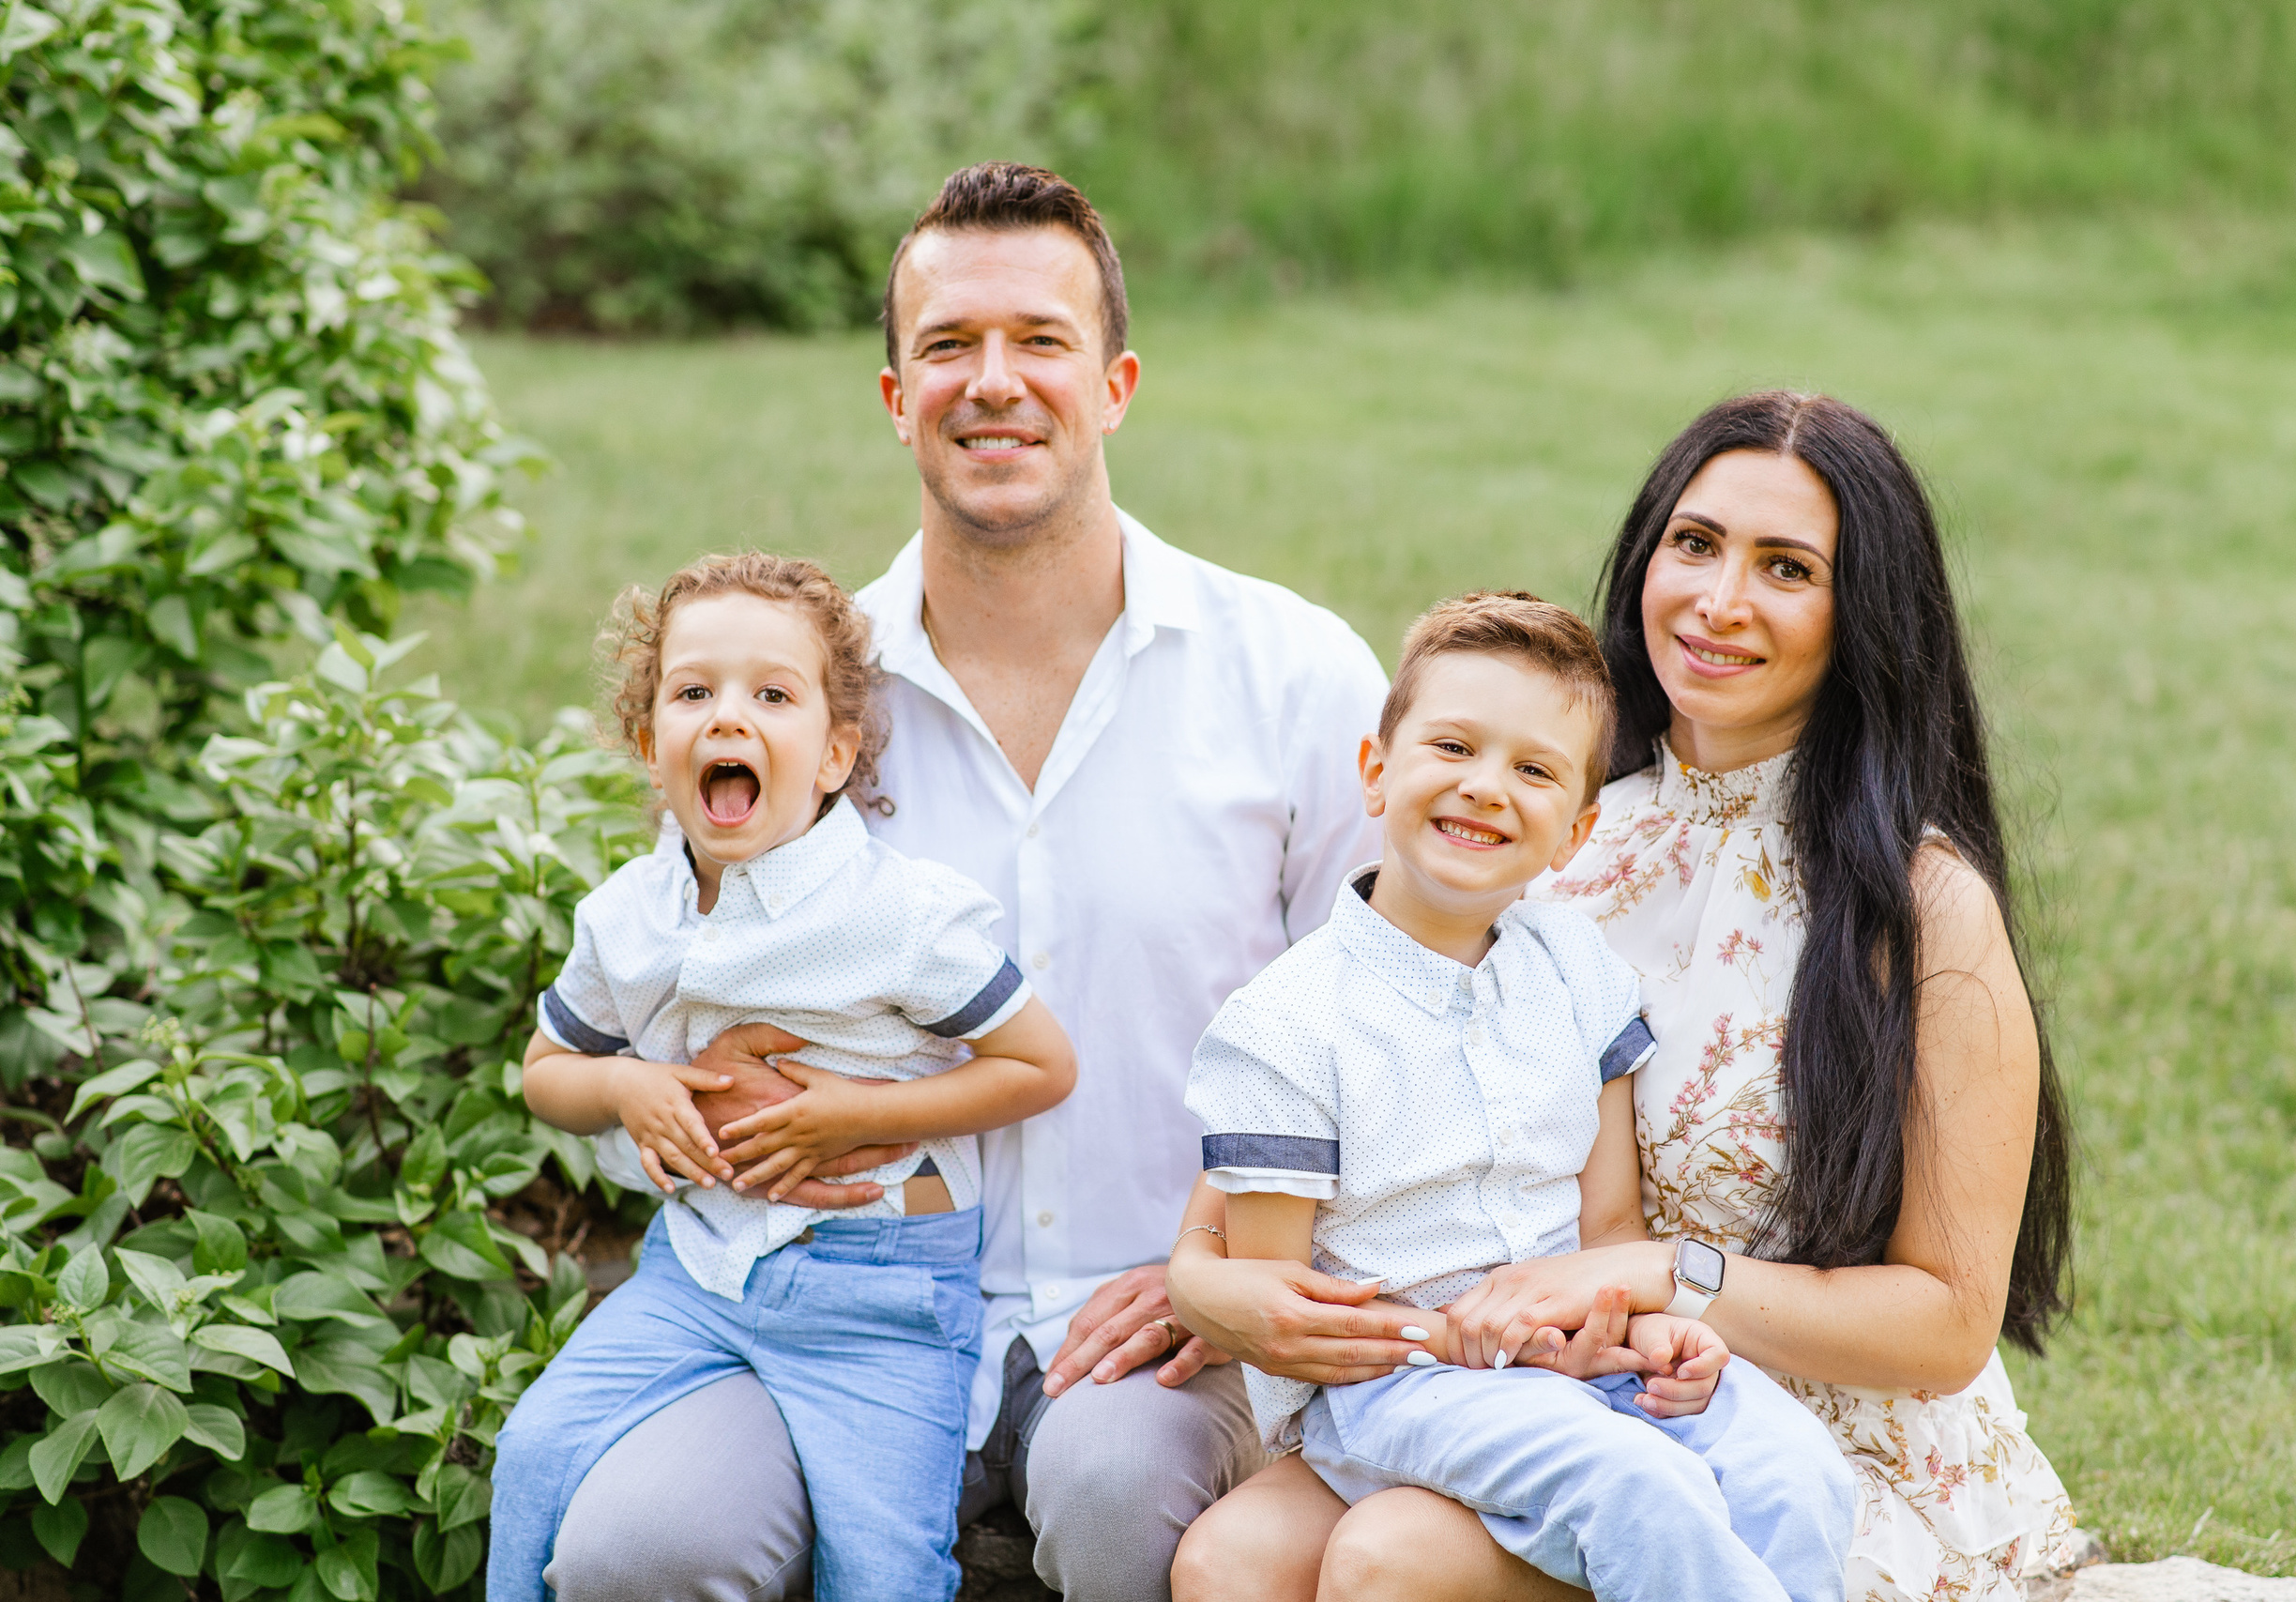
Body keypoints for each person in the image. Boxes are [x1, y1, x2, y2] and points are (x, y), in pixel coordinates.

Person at [535, 164, 1394, 1602]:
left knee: (1118, 1492)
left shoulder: (1294, 675)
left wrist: (1222, 1267)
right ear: (894, 397)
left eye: (1040, 341)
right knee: (637, 1548)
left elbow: (1383, 1025)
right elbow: (659, 997)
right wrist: (691, 1098)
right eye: (948, 346)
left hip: (1157, 1321)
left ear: (1115, 383)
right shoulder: (796, 696)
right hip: (826, 1302)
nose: (994, 382)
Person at [1168, 391, 2079, 1602]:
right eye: (1694, 545)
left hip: (1785, 1419)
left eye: (1786, 569)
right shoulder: (1551, 832)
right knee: (1229, 1561)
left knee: (1389, 1560)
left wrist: (1653, 1276)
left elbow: (1945, 1326)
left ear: (1859, 617)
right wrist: (1199, 1283)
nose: (1718, 601)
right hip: (1514, 1368)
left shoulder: (1917, 904)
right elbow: (1282, 1135)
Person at [1186, 590, 1856, 1601]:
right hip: (1391, 1384)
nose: (1486, 788)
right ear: (1376, 772)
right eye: (1452, 747)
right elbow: (1284, 1316)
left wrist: (1641, 1328)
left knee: (1794, 1470)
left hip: (1567, 1359)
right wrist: (1450, 1336)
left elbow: (1607, 1229)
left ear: (1575, 832)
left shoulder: (1576, 973)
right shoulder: (1284, 1024)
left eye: (1533, 769)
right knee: (1638, 1486)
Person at [490, 554, 1079, 1601]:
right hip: (697, 1275)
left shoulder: (899, 915)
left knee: (885, 1567)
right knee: (536, 1455)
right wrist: (628, 1089)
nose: (728, 717)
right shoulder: (626, 917)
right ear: (648, 742)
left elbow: (1039, 1064)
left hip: (882, 1294)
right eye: (692, 692)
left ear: (833, 754)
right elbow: (546, 1071)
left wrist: (861, 1113)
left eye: (772, 694)